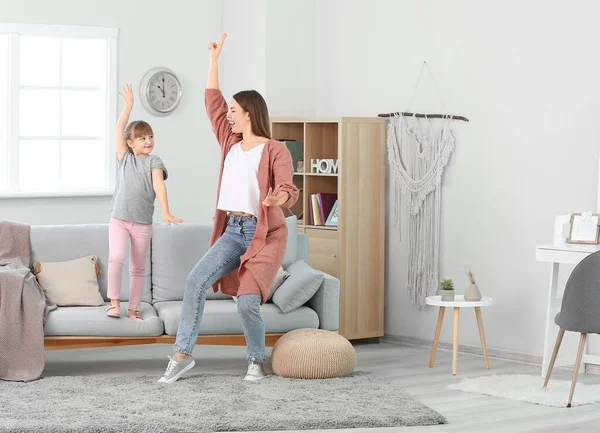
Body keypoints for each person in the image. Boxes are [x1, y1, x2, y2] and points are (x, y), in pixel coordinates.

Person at [157, 33, 299, 384]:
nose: (229, 116)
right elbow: (213, 102)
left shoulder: (275, 149)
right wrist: (214, 62)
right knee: (195, 281)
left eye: (235, 111)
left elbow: (288, 186)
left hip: (264, 234)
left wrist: (277, 199)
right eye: (230, 112)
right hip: (232, 231)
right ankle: (182, 355)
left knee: (247, 303)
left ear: (249, 114)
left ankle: (256, 360)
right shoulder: (230, 142)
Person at [106, 84, 182, 320]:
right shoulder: (124, 158)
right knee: (116, 258)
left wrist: (166, 212)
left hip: (142, 223)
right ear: (130, 143)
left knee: (138, 268)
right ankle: (115, 303)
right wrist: (128, 106)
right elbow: (119, 128)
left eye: (150, 136)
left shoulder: (154, 161)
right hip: (119, 219)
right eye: (141, 138)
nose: (148, 141)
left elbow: (159, 185)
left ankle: (134, 309)